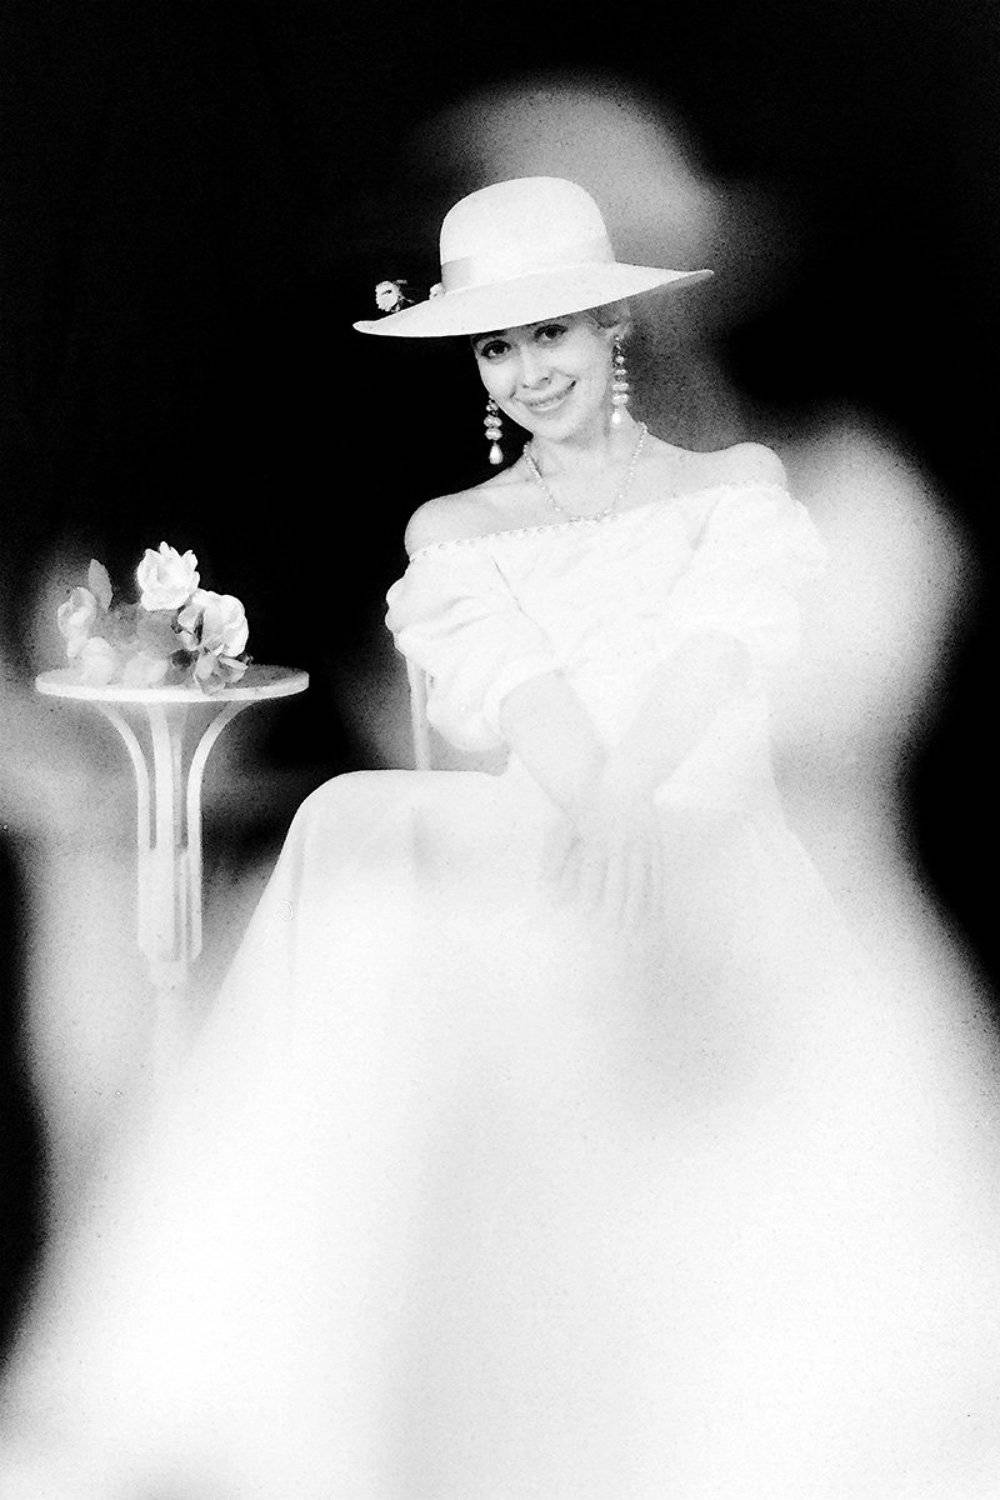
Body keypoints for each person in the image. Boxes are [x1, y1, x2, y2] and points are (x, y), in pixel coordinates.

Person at [3, 176, 1000, 1498]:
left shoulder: (772, 502)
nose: (533, 368)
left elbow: (738, 682)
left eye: (560, 330)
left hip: (734, 928)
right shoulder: (455, 540)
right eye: (501, 343)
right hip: (512, 934)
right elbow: (496, 708)